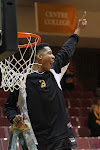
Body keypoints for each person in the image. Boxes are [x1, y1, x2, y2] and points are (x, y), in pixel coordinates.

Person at [5, 11, 87, 150]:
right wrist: (14, 117)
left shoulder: (54, 70)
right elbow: (9, 107)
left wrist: (78, 30)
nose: (54, 56)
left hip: (62, 137)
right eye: (49, 53)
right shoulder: (21, 80)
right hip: (37, 141)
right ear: (39, 57)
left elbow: (67, 50)